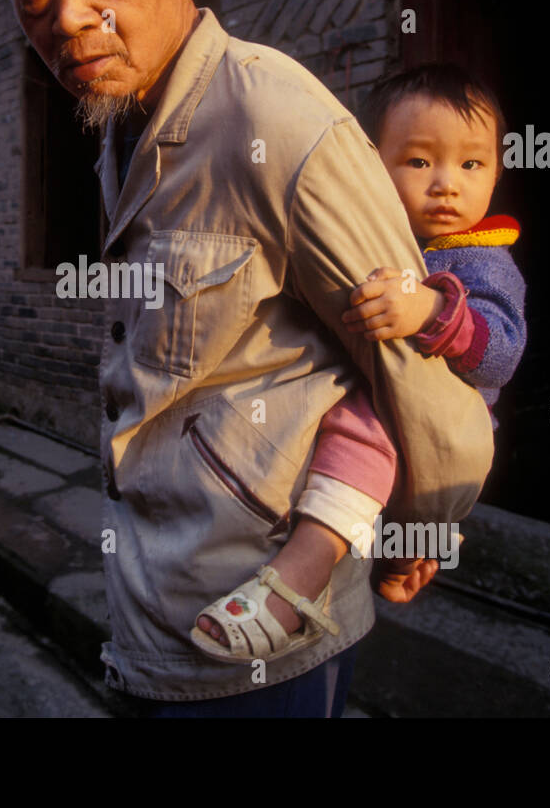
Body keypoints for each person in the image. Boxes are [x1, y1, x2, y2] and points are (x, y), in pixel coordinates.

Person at [0, 0, 494, 715]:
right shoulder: (121, 129)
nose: (69, 16)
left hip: (266, 638)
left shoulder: (279, 122)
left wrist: (421, 527)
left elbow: (423, 379)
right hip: (154, 609)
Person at [191, 65, 528, 657]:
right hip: (404, 414)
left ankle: (299, 577)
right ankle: (403, 561)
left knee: (361, 432)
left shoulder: (484, 258)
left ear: (496, 172)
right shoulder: (377, 236)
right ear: (373, 165)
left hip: (448, 423)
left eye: (471, 164)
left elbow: (499, 356)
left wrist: (430, 311)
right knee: (400, 520)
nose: (447, 184)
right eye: (420, 162)